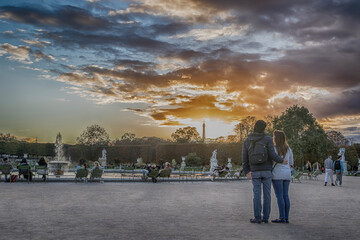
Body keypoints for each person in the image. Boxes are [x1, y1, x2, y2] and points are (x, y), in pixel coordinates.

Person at [242, 120, 287, 224]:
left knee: (256, 194)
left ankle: (257, 217)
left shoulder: (247, 140)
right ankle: (265, 217)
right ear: (263, 128)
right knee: (267, 195)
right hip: (266, 171)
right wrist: (282, 160)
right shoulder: (267, 139)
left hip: (254, 171)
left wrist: (246, 171)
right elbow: (272, 155)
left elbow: (244, 158)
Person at [271, 130, 293, 224]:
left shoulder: (274, 149)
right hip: (287, 174)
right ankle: (286, 218)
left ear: (276, 138)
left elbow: (271, 161)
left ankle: (281, 217)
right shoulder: (289, 149)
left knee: (279, 196)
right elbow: (291, 163)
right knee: (285, 195)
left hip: (277, 174)